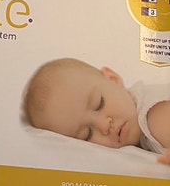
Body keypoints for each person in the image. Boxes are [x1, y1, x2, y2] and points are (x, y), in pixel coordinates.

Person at [23, 57, 170, 165]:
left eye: (99, 104)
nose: (104, 125)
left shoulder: (153, 116)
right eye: (87, 134)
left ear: (113, 79)